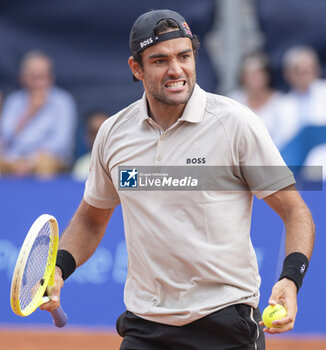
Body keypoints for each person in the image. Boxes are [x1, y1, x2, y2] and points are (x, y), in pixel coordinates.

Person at [41, 10, 315, 350]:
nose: (176, 70)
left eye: (184, 56)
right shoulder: (113, 134)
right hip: (145, 327)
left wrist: (291, 279)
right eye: (160, 60)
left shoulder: (236, 124)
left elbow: (295, 210)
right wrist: (59, 269)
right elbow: (91, 218)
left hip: (226, 325)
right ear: (136, 68)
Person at [0, 50, 77, 177]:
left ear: (52, 77)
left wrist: (30, 161)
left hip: (47, 159)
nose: (39, 82)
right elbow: (6, 138)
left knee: (44, 165)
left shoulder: (63, 102)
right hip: (14, 159)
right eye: (34, 77)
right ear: (23, 78)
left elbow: (61, 143)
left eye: (43, 76)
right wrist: (29, 113)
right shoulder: (13, 101)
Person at [229, 53, 284, 149]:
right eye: (249, 74)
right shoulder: (233, 101)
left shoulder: (282, 102)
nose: (254, 78)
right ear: (243, 78)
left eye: (258, 73)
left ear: (267, 76)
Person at [277, 45, 326, 151]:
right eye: (299, 71)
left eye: (307, 70)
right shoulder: (280, 104)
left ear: (316, 70)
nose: (304, 75)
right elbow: (279, 140)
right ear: (288, 74)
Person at [71, 110, 108, 181]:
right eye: (94, 133)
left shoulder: (127, 164)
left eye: (104, 132)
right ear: (87, 136)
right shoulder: (81, 167)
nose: (100, 138)